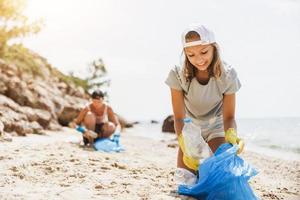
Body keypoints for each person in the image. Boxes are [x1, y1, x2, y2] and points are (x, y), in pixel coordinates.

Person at [165, 24, 244, 183]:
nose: (199, 59)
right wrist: (184, 142)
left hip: (217, 128)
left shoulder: (228, 74)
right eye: (191, 54)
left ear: (214, 48)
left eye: (204, 52)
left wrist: (231, 137)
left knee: (221, 176)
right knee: (186, 180)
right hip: (190, 129)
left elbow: (229, 117)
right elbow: (179, 118)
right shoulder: (177, 74)